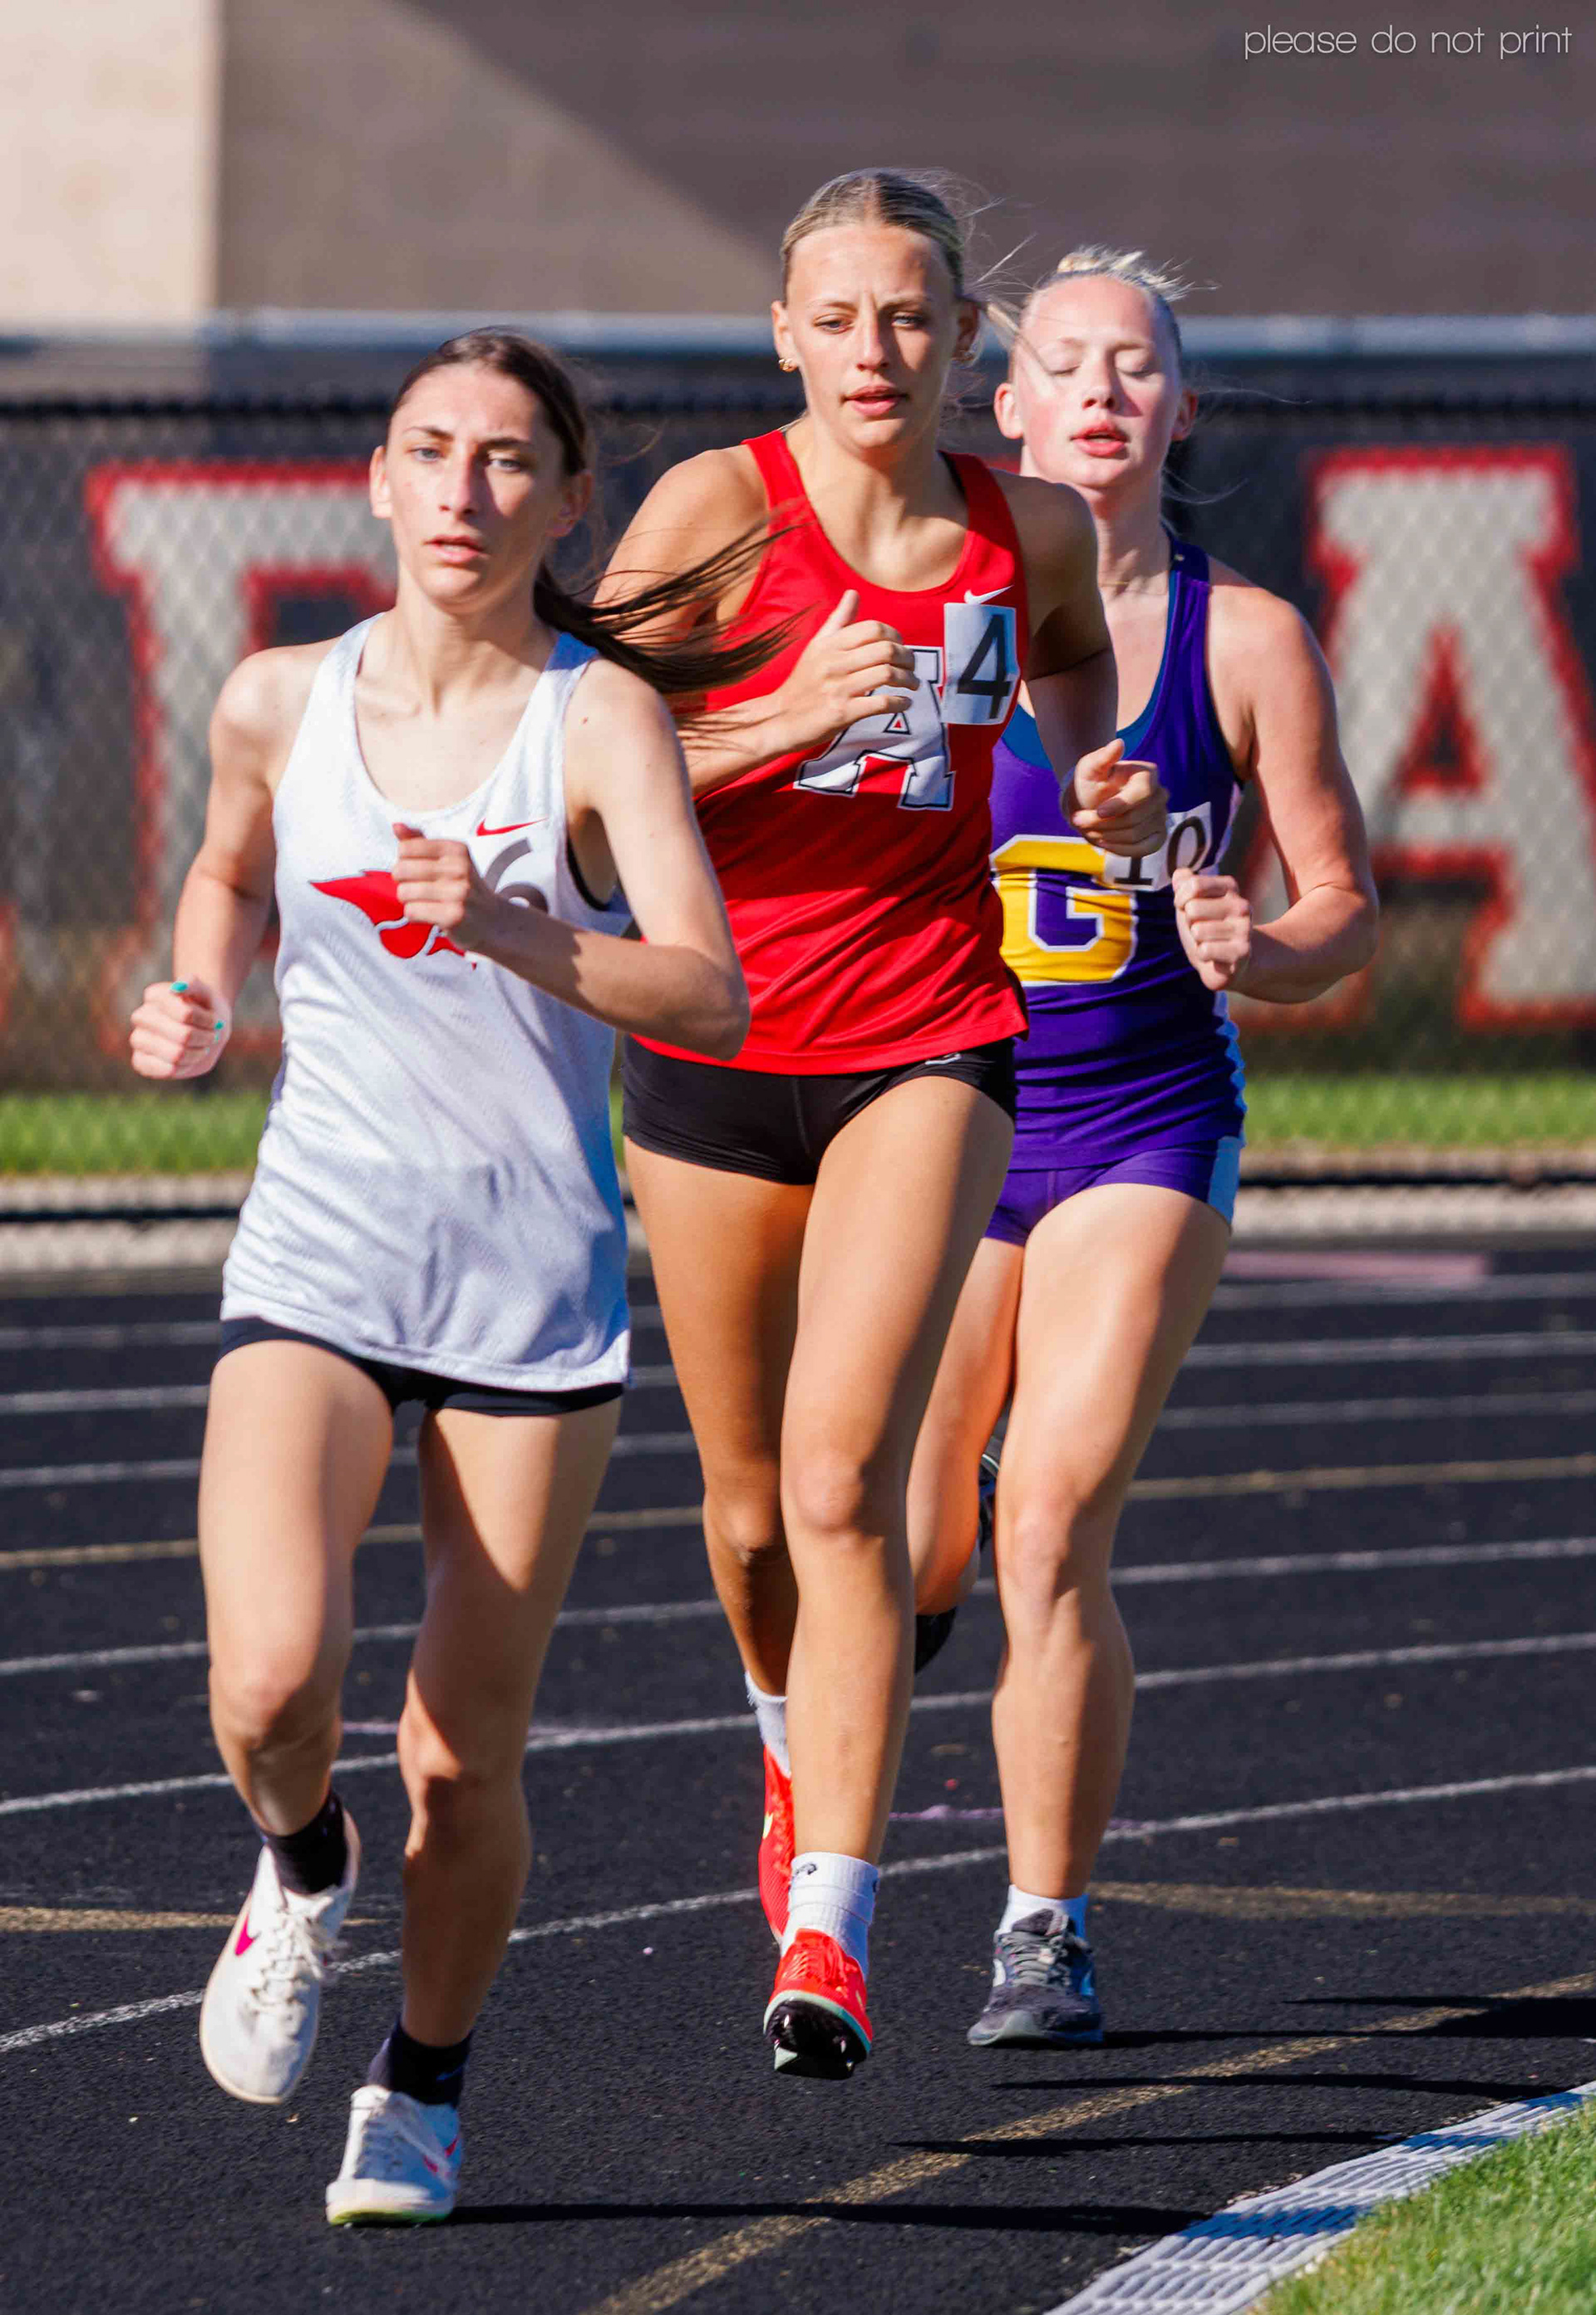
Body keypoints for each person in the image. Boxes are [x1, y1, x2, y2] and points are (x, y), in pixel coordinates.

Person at [127, 330, 774, 2223]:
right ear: (380, 480)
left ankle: (419, 2084)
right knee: (269, 1684)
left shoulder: (600, 721)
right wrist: (200, 992)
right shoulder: (278, 698)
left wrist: (508, 925)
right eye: (432, 450)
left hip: (529, 1292)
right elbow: (229, 872)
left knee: (459, 1758)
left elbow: (707, 989)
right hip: (320, 1252)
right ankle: (299, 1859)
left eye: (507, 460)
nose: (464, 490)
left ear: (568, 502)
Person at [601, 172, 1168, 2081]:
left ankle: (832, 1925)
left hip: (930, 1037)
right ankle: (787, 1748)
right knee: (748, 1506)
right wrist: (780, 718)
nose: (876, 352)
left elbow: (1076, 663)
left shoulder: (1023, 528)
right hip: (718, 1041)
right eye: (839, 319)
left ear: (959, 339)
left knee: (851, 1483)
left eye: (912, 318)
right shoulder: (717, 510)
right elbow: (578, 771)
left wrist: (1094, 771)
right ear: (785, 336)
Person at [904, 249, 1379, 2047]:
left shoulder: (1242, 638)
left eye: (1136, 365)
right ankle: (843, 1749)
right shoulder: (937, 614)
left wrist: (1264, 945)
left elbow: (1342, 907)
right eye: (1067, 363)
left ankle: (1046, 1927)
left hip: (1143, 1119)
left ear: (1179, 408)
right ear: (1007, 406)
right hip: (949, 1114)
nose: (1101, 391)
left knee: (1046, 1519)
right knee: (904, 1539)